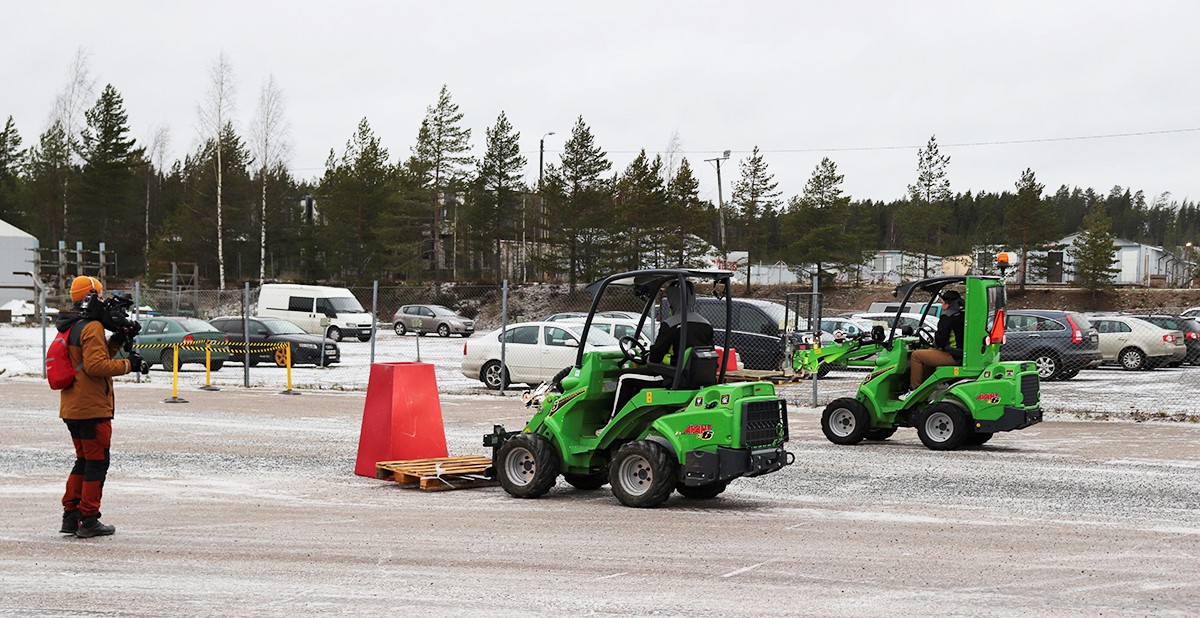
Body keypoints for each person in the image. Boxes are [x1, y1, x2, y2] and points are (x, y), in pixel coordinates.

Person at [56, 276, 147, 538]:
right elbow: (96, 367)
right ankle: (89, 518)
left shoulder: (71, 325)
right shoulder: (92, 326)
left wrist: (117, 341)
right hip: (91, 407)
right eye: (100, 294)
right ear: (92, 295)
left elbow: (89, 360)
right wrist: (130, 365)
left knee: (83, 461)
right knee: (97, 463)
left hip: (73, 405)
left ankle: (71, 516)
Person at [907, 289, 965, 393]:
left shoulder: (947, 316)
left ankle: (914, 390)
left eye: (942, 303)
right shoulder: (962, 315)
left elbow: (940, 341)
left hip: (953, 355)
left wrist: (934, 343)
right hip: (960, 353)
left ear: (948, 304)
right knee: (930, 352)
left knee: (916, 355)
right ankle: (926, 387)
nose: (942, 306)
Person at [647, 281, 714, 366]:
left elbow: (655, 357)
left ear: (672, 302)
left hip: (673, 372)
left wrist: (648, 355)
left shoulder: (670, 324)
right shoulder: (706, 325)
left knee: (628, 375)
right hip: (699, 373)